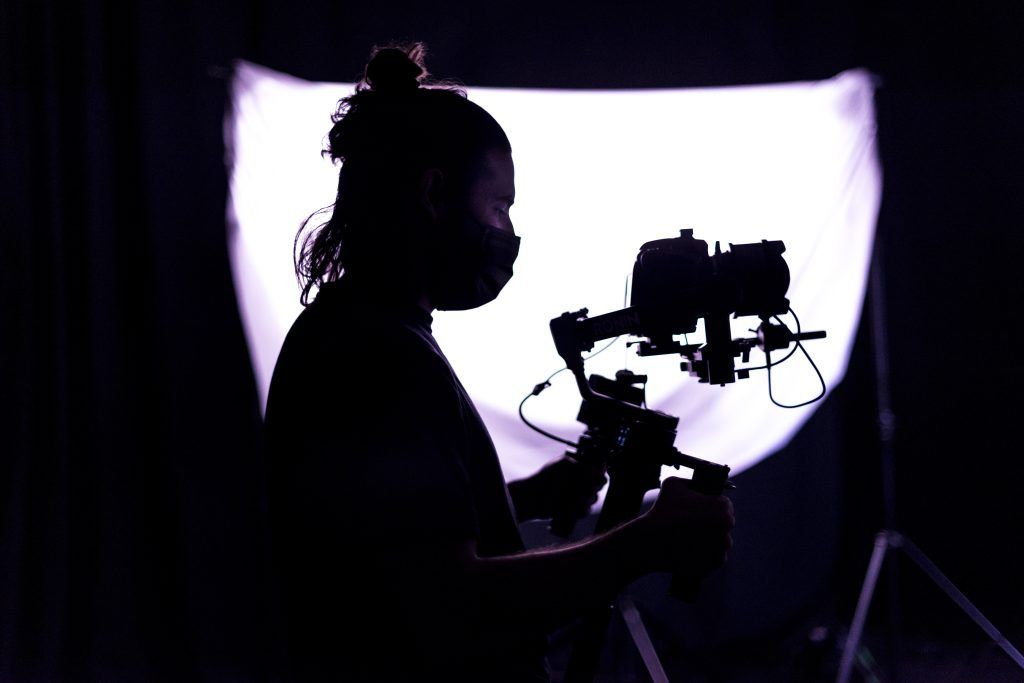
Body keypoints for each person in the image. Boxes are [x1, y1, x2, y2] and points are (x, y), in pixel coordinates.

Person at [264, 43, 734, 682]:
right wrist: (643, 545)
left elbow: (394, 541)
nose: (507, 231)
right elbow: (445, 608)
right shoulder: (378, 357)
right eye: (499, 206)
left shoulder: (359, 331)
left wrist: (525, 498)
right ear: (434, 194)